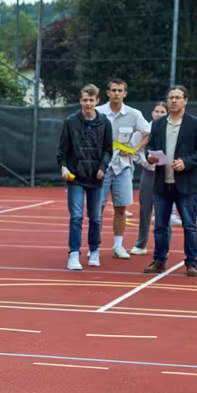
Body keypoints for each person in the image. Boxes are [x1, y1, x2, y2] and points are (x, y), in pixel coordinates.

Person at [143, 84, 197, 277]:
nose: (173, 100)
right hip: (162, 183)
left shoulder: (196, 124)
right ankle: (159, 260)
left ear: (185, 100)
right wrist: (150, 156)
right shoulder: (158, 124)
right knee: (161, 226)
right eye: (171, 97)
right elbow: (151, 147)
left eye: (177, 97)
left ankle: (191, 262)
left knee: (189, 225)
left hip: (187, 184)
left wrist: (186, 162)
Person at [56, 84, 113, 270]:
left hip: (96, 178)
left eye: (91, 100)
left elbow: (108, 149)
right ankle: (73, 255)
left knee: (95, 217)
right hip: (76, 177)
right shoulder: (70, 122)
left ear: (97, 101)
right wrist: (63, 167)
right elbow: (62, 150)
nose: (87, 103)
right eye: (84, 100)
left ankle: (94, 250)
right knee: (77, 217)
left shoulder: (105, 122)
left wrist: (103, 167)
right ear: (80, 101)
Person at [96, 78, 150, 259]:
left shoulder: (134, 114)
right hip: (101, 166)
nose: (116, 93)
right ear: (108, 92)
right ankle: (94, 245)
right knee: (98, 207)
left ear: (125, 93)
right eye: (113, 90)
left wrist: (135, 149)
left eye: (120, 90)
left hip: (123, 166)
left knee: (121, 207)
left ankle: (118, 246)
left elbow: (148, 132)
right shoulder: (98, 112)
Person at [130, 101, 167, 256]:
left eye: (162, 112)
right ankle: (141, 243)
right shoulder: (144, 130)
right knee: (145, 209)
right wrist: (144, 162)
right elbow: (134, 149)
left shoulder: (170, 130)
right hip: (149, 173)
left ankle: (163, 246)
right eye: (157, 111)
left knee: (164, 210)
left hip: (166, 173)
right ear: (152, 113)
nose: (159, 114)